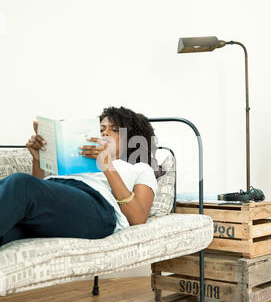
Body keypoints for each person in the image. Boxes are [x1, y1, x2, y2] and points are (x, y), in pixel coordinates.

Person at [0, 106, 162, 247]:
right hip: (64, 204)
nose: (105, 132)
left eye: (114, 130)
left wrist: (107, 165)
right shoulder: (76, 161)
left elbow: (138, 218)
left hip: (98, 208)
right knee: (10, 233)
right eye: (101, 129)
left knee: (20, 183)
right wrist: (38, 159)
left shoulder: (139, 168)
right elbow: (42, 197)